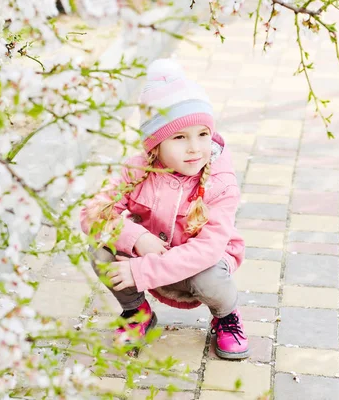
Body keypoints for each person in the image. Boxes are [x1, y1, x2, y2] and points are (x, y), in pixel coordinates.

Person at [80, 58, 249, 360]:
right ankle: (137, 313)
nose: (195, 147)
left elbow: (207, 250)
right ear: (155, 145)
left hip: (198, 266)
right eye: (180, 137)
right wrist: (134, 238)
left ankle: (226, 316)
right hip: (149, 253)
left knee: (209, 277)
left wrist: (142, 270)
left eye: (203, 134)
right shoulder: (137, 170)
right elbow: (93, 213)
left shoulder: (220, 183)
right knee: (100, 249)